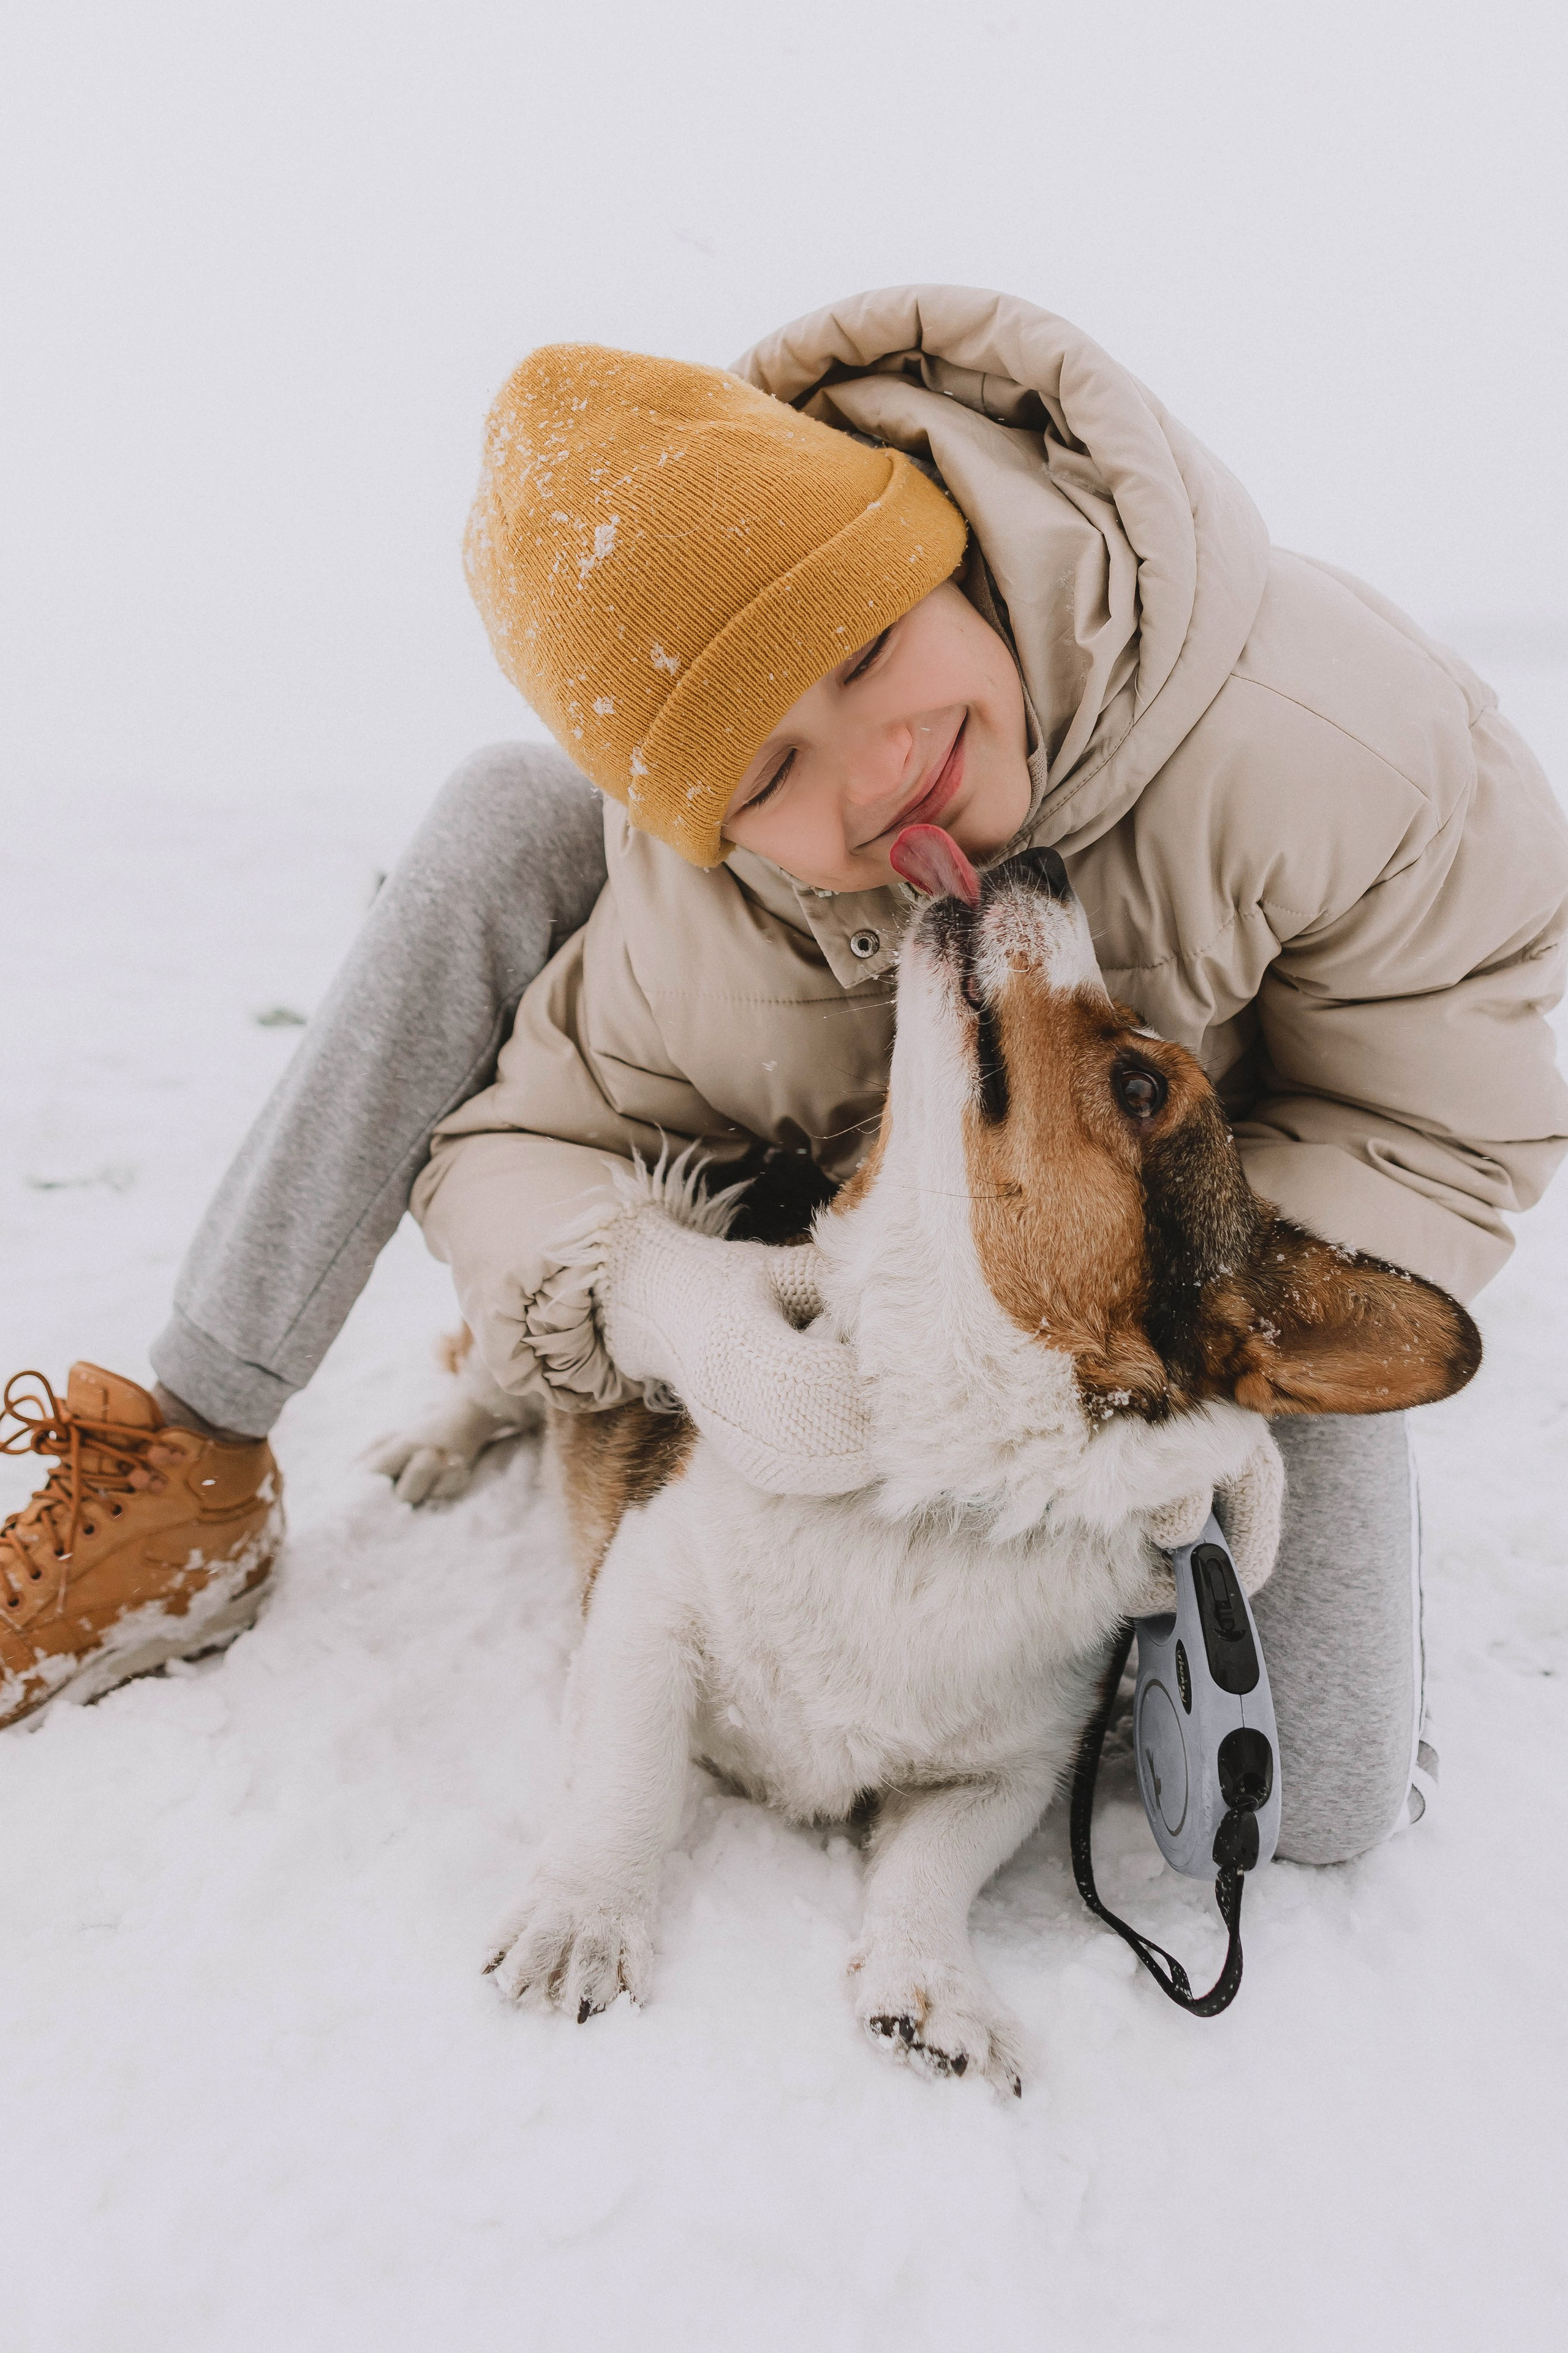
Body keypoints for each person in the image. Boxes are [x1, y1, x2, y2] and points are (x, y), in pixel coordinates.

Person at [4, 289, 1565, 1870]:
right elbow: (509, 1143)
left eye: (872, 643)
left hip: (1208, 1259)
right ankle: (188, 1449)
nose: (879, 767)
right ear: (719, 836)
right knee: (501, 818)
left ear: (944, 540)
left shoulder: (1327, 738)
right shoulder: (706, 924)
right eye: (766, 772)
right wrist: (659, 1297)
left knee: (1328, 1797)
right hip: (882, 1221)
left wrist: (1196, 1351)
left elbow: (1454, 1103)